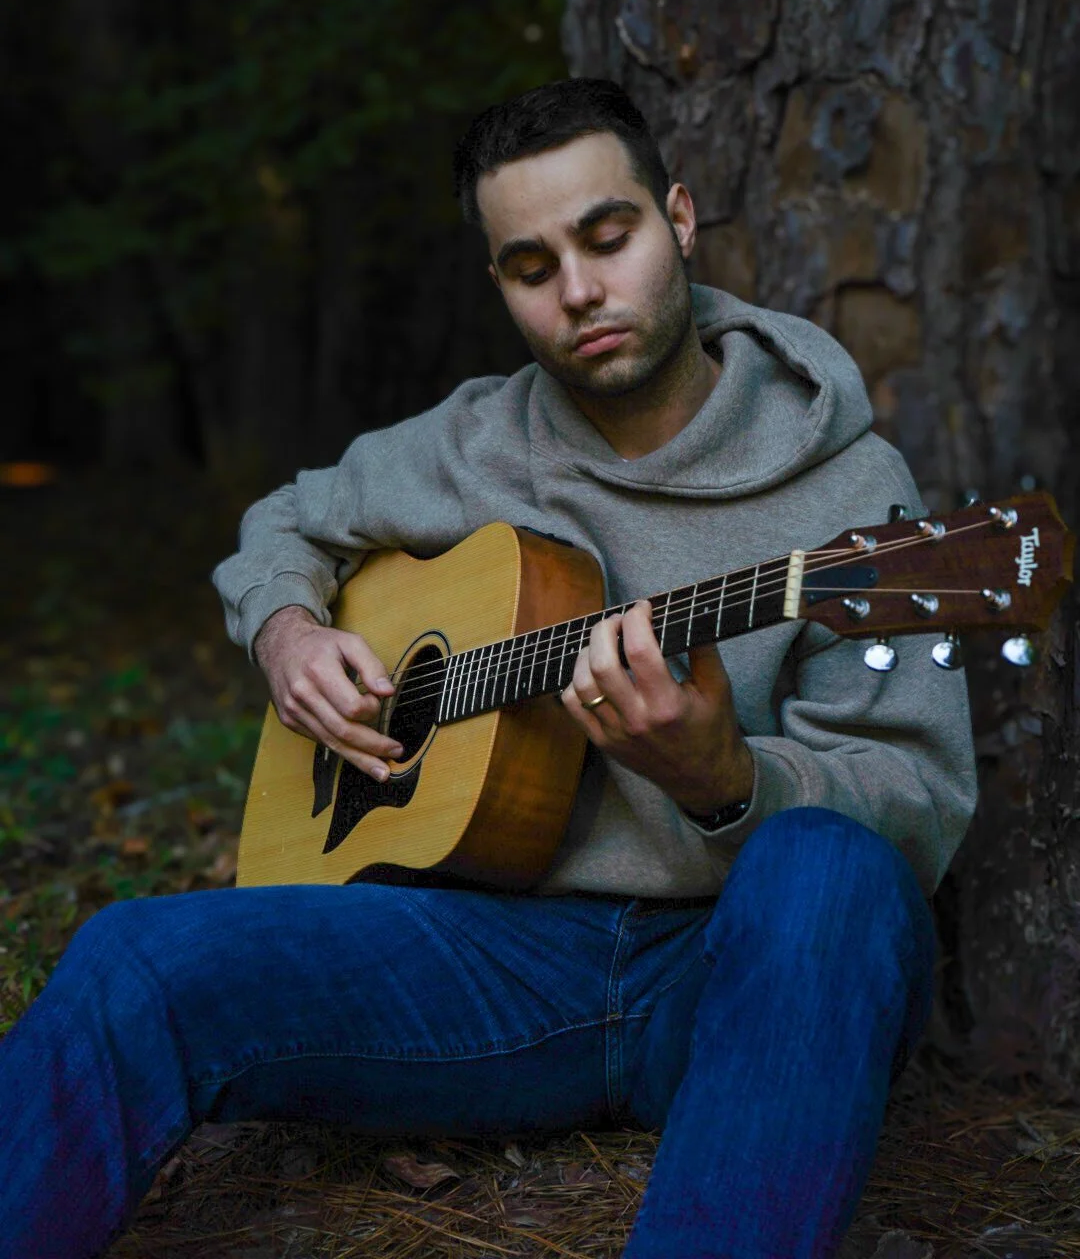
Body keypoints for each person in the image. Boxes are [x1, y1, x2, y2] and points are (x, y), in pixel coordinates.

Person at [0, 78, 975, 1259]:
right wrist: (287, 632)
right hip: (493, 966)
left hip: (746, 981)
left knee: (831, 873)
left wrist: (728, 780)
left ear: (679, 217)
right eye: (530, 265)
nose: (578, 291)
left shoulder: (852, 500)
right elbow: (285, 525)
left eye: (608, 238)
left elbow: (917, 804)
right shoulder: (469, 442)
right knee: (130, 958)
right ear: (501, 284)